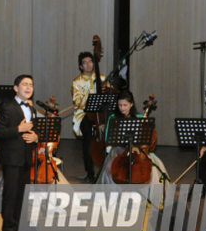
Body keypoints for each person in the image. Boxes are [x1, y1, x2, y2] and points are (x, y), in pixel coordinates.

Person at [0, 75, 39, 231]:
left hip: (26, 157)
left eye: (31, 85)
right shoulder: (7, 107)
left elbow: (36, 130)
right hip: (11, 158)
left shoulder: (32, 109)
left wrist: (36, 137)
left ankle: (21, 226)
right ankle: (8, 229)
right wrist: (18, 129)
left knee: (23, 194)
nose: (28, 87)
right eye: (24, 84)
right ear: (15, 88)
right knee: (11, 194)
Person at [94, 90, 168, 195]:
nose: (122, 108)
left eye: (125, 105)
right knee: (110, 167)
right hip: (120, 150)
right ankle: (114, 194)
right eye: (120, 105)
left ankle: (150, 194)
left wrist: (146, 126)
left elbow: (148, 138)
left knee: (155, 165)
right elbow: (108, 138)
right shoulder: (113, 118)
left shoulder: (140, 118)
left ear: (131, 104)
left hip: (137, 151)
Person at [72, 51, 106, 183]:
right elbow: (78, 101)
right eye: (84, 63)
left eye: (90, 61)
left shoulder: (102, 78)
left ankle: (107, 169)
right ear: (81, 66)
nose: (88, 65)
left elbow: (112, 93)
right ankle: (90, 173)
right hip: (85, 113)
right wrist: (92, 97)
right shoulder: (77, 82)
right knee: (88, 140)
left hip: (102, 113)